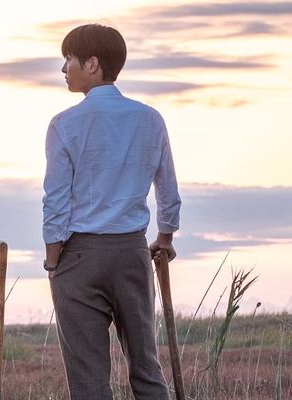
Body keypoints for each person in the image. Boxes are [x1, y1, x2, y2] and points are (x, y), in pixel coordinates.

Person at [42, 24, 182, 400]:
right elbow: (167, 188)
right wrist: (164, 239)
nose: (63, 68)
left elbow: (55, 199)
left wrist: (53, 260)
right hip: (132, 253)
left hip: (79, 256)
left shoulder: (64, 124)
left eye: (68, 59)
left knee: (88, 381)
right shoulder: (150, 119)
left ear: (91, 63)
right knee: (147, 368)